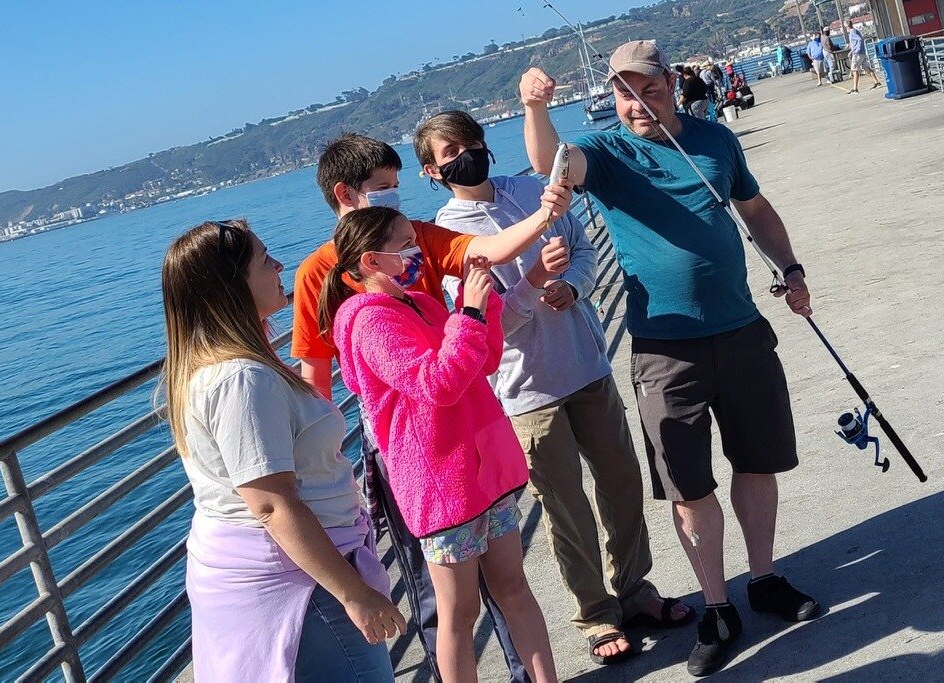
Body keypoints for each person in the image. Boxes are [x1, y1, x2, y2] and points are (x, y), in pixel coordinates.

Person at [519, 40, 820, 678]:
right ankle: (716, 605)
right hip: (662, 347)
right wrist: (534, 107)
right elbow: (551, 163)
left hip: (741, 330)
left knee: (757, 462)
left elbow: (756, 209)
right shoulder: (604, 151)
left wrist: (789, 268)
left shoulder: (715, 140)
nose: (637, 105)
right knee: (688, 487)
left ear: (671, 86)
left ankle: (763, 577)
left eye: (648, 91)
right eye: (624, 94)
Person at [289, 132, 571, 683]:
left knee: (511, 588)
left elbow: (477, 356)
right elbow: (430, 382)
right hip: (435, 473)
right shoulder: (362, 314)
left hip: (478, 462)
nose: (419, 247)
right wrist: (468, 310)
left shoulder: (416, 296)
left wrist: (482, 305)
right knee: (454, 609)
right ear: (372, 255)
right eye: (406, 243)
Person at [418, 111, 695, 666]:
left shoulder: (534, 191)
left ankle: (635, 589)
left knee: (622, 481)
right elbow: (482, 326)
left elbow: (585, 249)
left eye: (471, 141)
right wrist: (533, 285)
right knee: (565, 507)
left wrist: (573, 285)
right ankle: (595, 612)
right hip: (526, 391)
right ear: (431, 170)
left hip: (587, 365)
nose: (466, 153)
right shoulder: (446, 237)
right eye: (451, 151)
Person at [162, 219, 406, 681]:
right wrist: (354, 593)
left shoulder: (214, 368)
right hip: (300, 582)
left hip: (290, 572)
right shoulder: (242, 379)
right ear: (230, 287)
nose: (278, 265)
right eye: (263, 260)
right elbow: (272, 504)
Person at [844, 20, 878, 93]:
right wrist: (851, 51)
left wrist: (856, 50)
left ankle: (855, 88)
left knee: (854, 70)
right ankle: (876, 82)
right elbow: (856, 42)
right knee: (867, 68)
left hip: (858, 54)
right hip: (862, 53)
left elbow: (859, 39)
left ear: (846, 26)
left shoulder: (852, 32)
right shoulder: (856, 30)